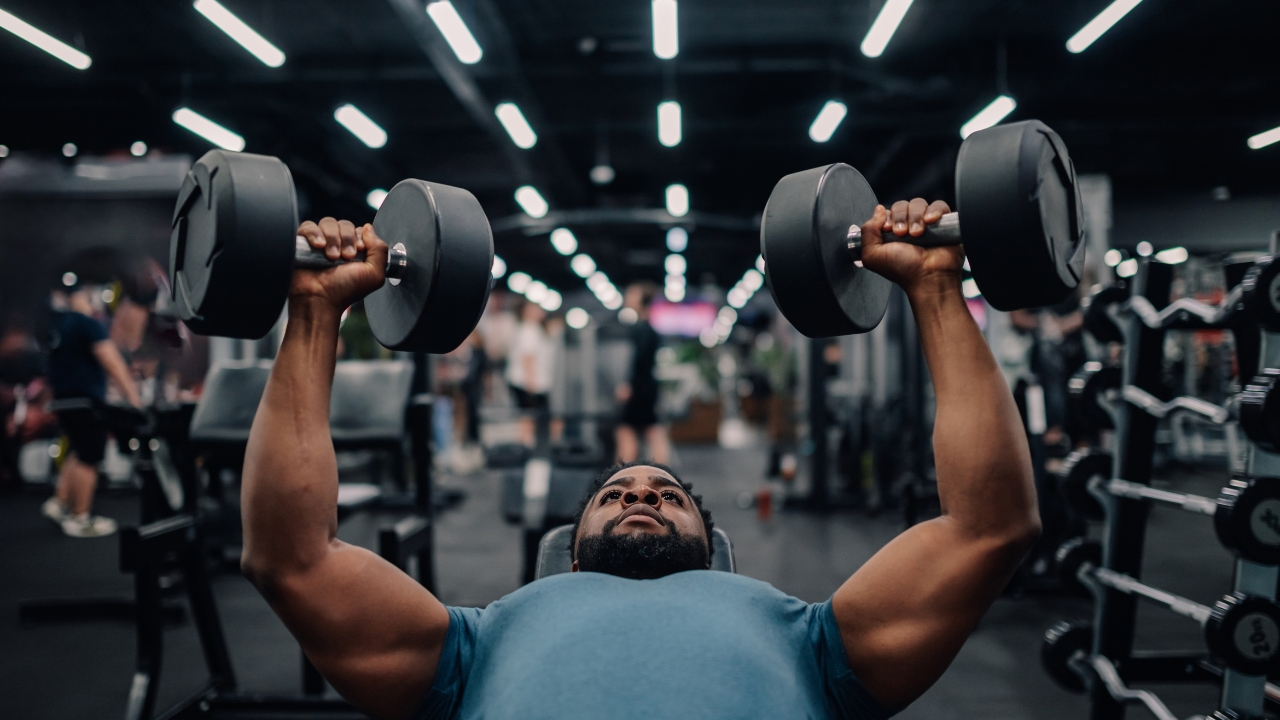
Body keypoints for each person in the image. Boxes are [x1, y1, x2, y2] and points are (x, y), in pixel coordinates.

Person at [239, 207, 1039, 720]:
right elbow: (293, 557)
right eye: (616, 493)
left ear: (709, 544)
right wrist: (313, 314)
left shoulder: (812, 641)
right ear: (573, 547)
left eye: (666, 493)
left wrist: (937, 288)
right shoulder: (471, 647)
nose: (642, 493)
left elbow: (987, 527)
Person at [42, 275, 141, 537]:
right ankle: (81, 518)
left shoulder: (58, 326)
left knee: (77, 449)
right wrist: (134, 399)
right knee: (90, 456)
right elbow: (112, 363)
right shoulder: (87, 324)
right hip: (86, 401)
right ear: (82, 296)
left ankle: (60, 502)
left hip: (64, 401)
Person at [614, 281, 670, 464]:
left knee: (626, 432)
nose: (627, 297)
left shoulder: (641, 329)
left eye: (632, 294)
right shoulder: (648, 328)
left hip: (639, 387)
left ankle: (620, 482)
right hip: (647, 386)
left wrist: (628, 385)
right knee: (652, 431)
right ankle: (663, 479)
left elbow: (639, 361)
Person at [505, 300, 556, 446]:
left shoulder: (535, 329)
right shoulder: (529, 330)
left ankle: (528, 447)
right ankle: (525, 449)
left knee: (529, 419)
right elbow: (527, 357)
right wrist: (531, 381)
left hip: (534, 383)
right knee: (527, 419)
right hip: (528, 383)